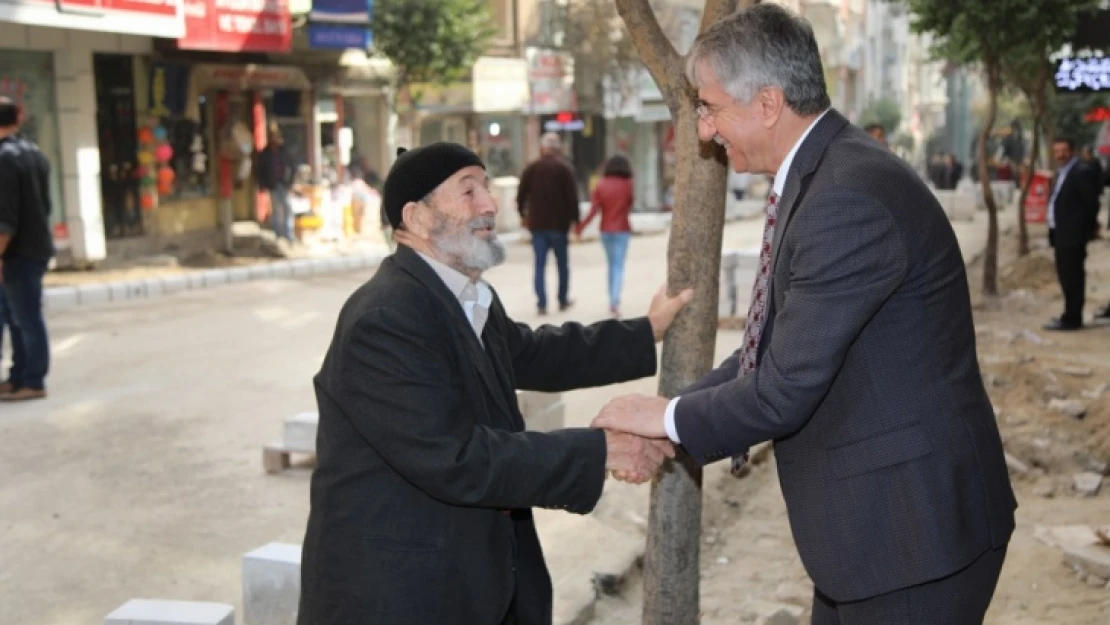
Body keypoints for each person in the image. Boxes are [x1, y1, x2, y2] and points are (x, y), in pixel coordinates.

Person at [592, 5, 1016, 624]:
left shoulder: (847, 196)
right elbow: (769, 344)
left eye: (709, 108)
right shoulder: (825, 173)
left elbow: (783, 388)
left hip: (911, 536)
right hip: (877, 535)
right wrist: (668, 425)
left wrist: (666, 417)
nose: (705, 130)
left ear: (767, 104)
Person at [297, 142, 692, 625]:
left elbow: (536, 352)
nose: (489, 203)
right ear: (416, 217)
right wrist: (600, 450)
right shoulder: (385, 317)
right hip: (402, 593)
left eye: (485, 186)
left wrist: (645, 331)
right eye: (468, 191)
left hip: (470, 573)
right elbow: (455, 457)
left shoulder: (461, 295)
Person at [0, 96, 54, 402]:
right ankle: (19, 376)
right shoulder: (34, 152)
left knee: (26, 318)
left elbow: (4, 217)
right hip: (35, 246)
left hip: (17, 251)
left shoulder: (5, 158)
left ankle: (32, 380)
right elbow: (44, 206)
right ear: (17, 120)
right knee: (18, 317)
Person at [517, 132, 580, 315]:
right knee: (562, 265)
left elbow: (521, 195)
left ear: (542, 148)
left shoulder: (532, 168)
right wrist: (575, 221)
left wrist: (523, 214)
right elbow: (572, 198)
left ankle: (542, 303)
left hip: (538, 226)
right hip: (559, 225)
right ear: (557, 148)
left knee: (539, 265)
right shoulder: (564, 168)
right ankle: (562, 300)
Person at [1044, 138, 1100, 331]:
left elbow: (1091, 204)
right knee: (1066, 276)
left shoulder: (1080, 172)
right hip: (1061, 233)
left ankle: (1072, 319)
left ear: (1072, 151)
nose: (1060, 155)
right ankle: (1069, 314)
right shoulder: (1062, 172)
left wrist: (1085, 232)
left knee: (1073, 278)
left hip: (1073, 236)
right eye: (1057, 151)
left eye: (1064, 151)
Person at [576, 154, 634, 318]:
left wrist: (580, 227)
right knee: (618, 266)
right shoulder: (627, 185)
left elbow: (594, 210)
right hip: (622, 229)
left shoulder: (601, 185)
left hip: (606, 230)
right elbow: (630, 204)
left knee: (611, 265)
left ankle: (612, 299)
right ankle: (614, 301)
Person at [256, 123, 295, 243]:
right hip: (272, 184)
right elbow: (260, 170)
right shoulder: (265, 154)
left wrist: (290, 182)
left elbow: (292, 167)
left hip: (284, 183)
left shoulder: (284, 152)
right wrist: (262, 184)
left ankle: (288, 234)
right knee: (277, 209)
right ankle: (278, 234)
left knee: (287, 208)